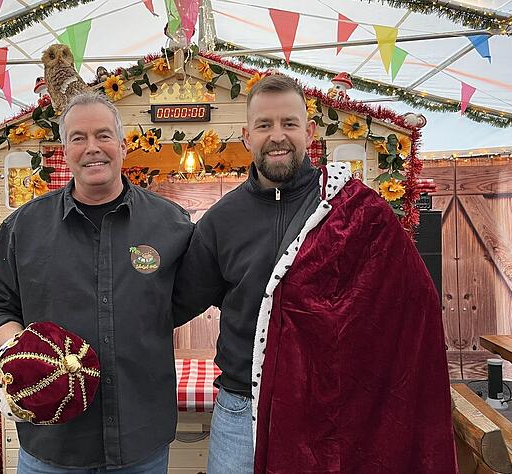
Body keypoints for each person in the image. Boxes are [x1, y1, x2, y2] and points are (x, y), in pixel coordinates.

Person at [173, 74, 457, 473]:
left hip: (327, 412)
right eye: (264, 125)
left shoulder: (354, 208)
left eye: (289, 124)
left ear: (309, 131)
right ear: (246, 136)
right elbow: (177, 300)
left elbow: (408, 304)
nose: (277, 136)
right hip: (241, 408)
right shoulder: (222, 221)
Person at [0, 92, 194, 473]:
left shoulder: (171, 224)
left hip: (140, 440)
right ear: (64, 151)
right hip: (53, 445)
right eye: (78, 138)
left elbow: (186, 300)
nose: (92, 148)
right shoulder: (22, 228)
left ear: (123, 146)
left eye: (103, 135)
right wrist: (24, 348)